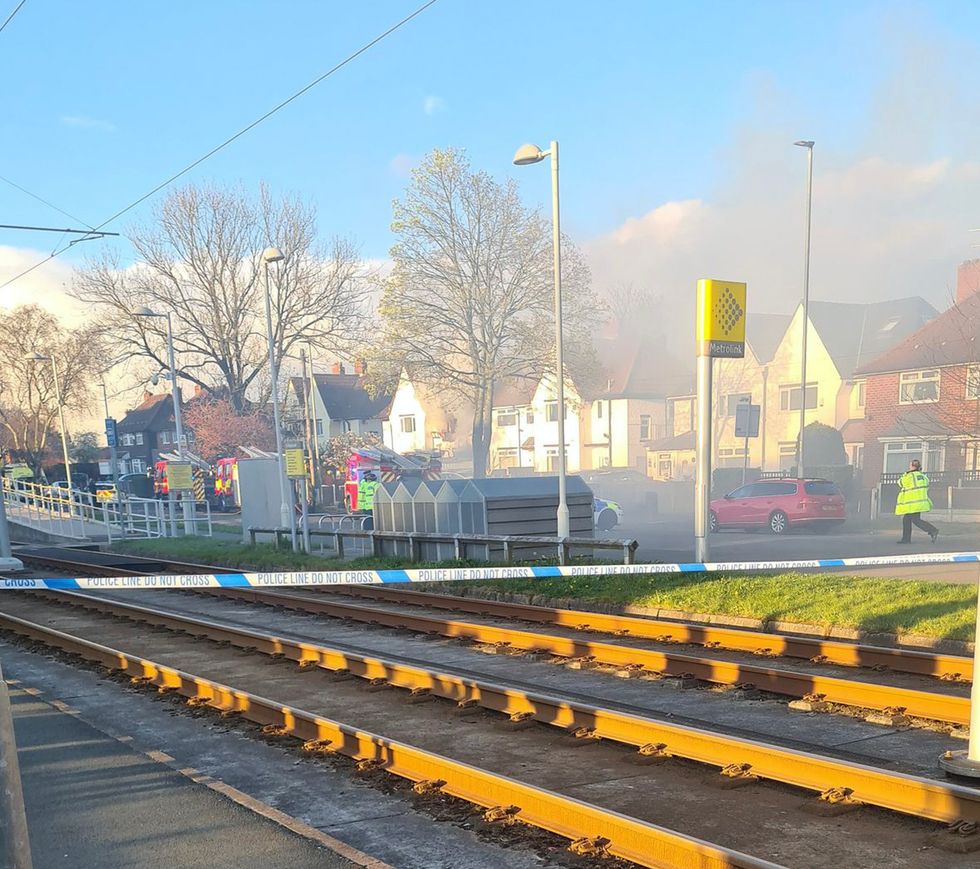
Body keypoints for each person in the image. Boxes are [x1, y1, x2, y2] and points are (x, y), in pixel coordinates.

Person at [895, 459, 938, 544]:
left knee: (915, 520)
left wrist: (905, 474)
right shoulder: (923, 476)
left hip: (912, 503)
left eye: (910, 465)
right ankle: (906, 539)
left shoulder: (909, 476)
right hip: (919, 503)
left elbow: (900, 483)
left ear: (912, 466)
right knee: (907, 520)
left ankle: (933, 530)